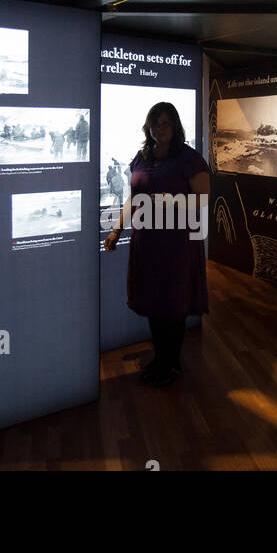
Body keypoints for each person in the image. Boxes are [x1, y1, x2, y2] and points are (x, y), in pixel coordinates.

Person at [104, 102, 210, 387]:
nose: (159, 129)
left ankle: (171, 364)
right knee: (153, 302)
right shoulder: (142, 157)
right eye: (155, 123)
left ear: (174, 126)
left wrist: (171, 200)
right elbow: (133, 198)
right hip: (147, 241)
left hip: (177, 242)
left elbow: (202, 198)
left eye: (165, 123)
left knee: (172, 303)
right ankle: (160, 358)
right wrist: (116, 229)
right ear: (148, 126)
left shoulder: (188, 158)